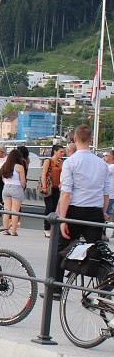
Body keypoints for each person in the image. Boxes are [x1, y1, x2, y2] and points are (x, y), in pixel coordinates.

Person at [56, 124, 111, 298]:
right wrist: (102, 212)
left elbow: (66, 193)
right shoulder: (102, 164)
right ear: (91, 140)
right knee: (96, 250)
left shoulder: (70, 162)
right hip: (94, 211)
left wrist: (62, 218)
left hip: (75, 209)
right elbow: (106, 194)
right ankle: (101, 290)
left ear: (74, 139)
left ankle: (56, 287)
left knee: (62, 247)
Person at [38, 144, 65, 238]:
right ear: (55, 151)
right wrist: (44, 186)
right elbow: (44, 174)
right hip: (49, 187)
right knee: (49, 207)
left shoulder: (60, 162)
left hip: (57, 187)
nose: (62, 153)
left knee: (54, 208)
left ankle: (52, 227)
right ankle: (46, 228)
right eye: (61, 152)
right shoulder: (48, 161)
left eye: (63, 152)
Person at [0, 148, 26, 235]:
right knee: (15, 211)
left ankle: (5, 230)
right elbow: (23, 181)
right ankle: (14, 231)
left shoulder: (5, 166)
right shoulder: (19, 167)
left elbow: (3, 179)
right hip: (16, 188)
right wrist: (22, 188)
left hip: (6, 188)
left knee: (6, 210)